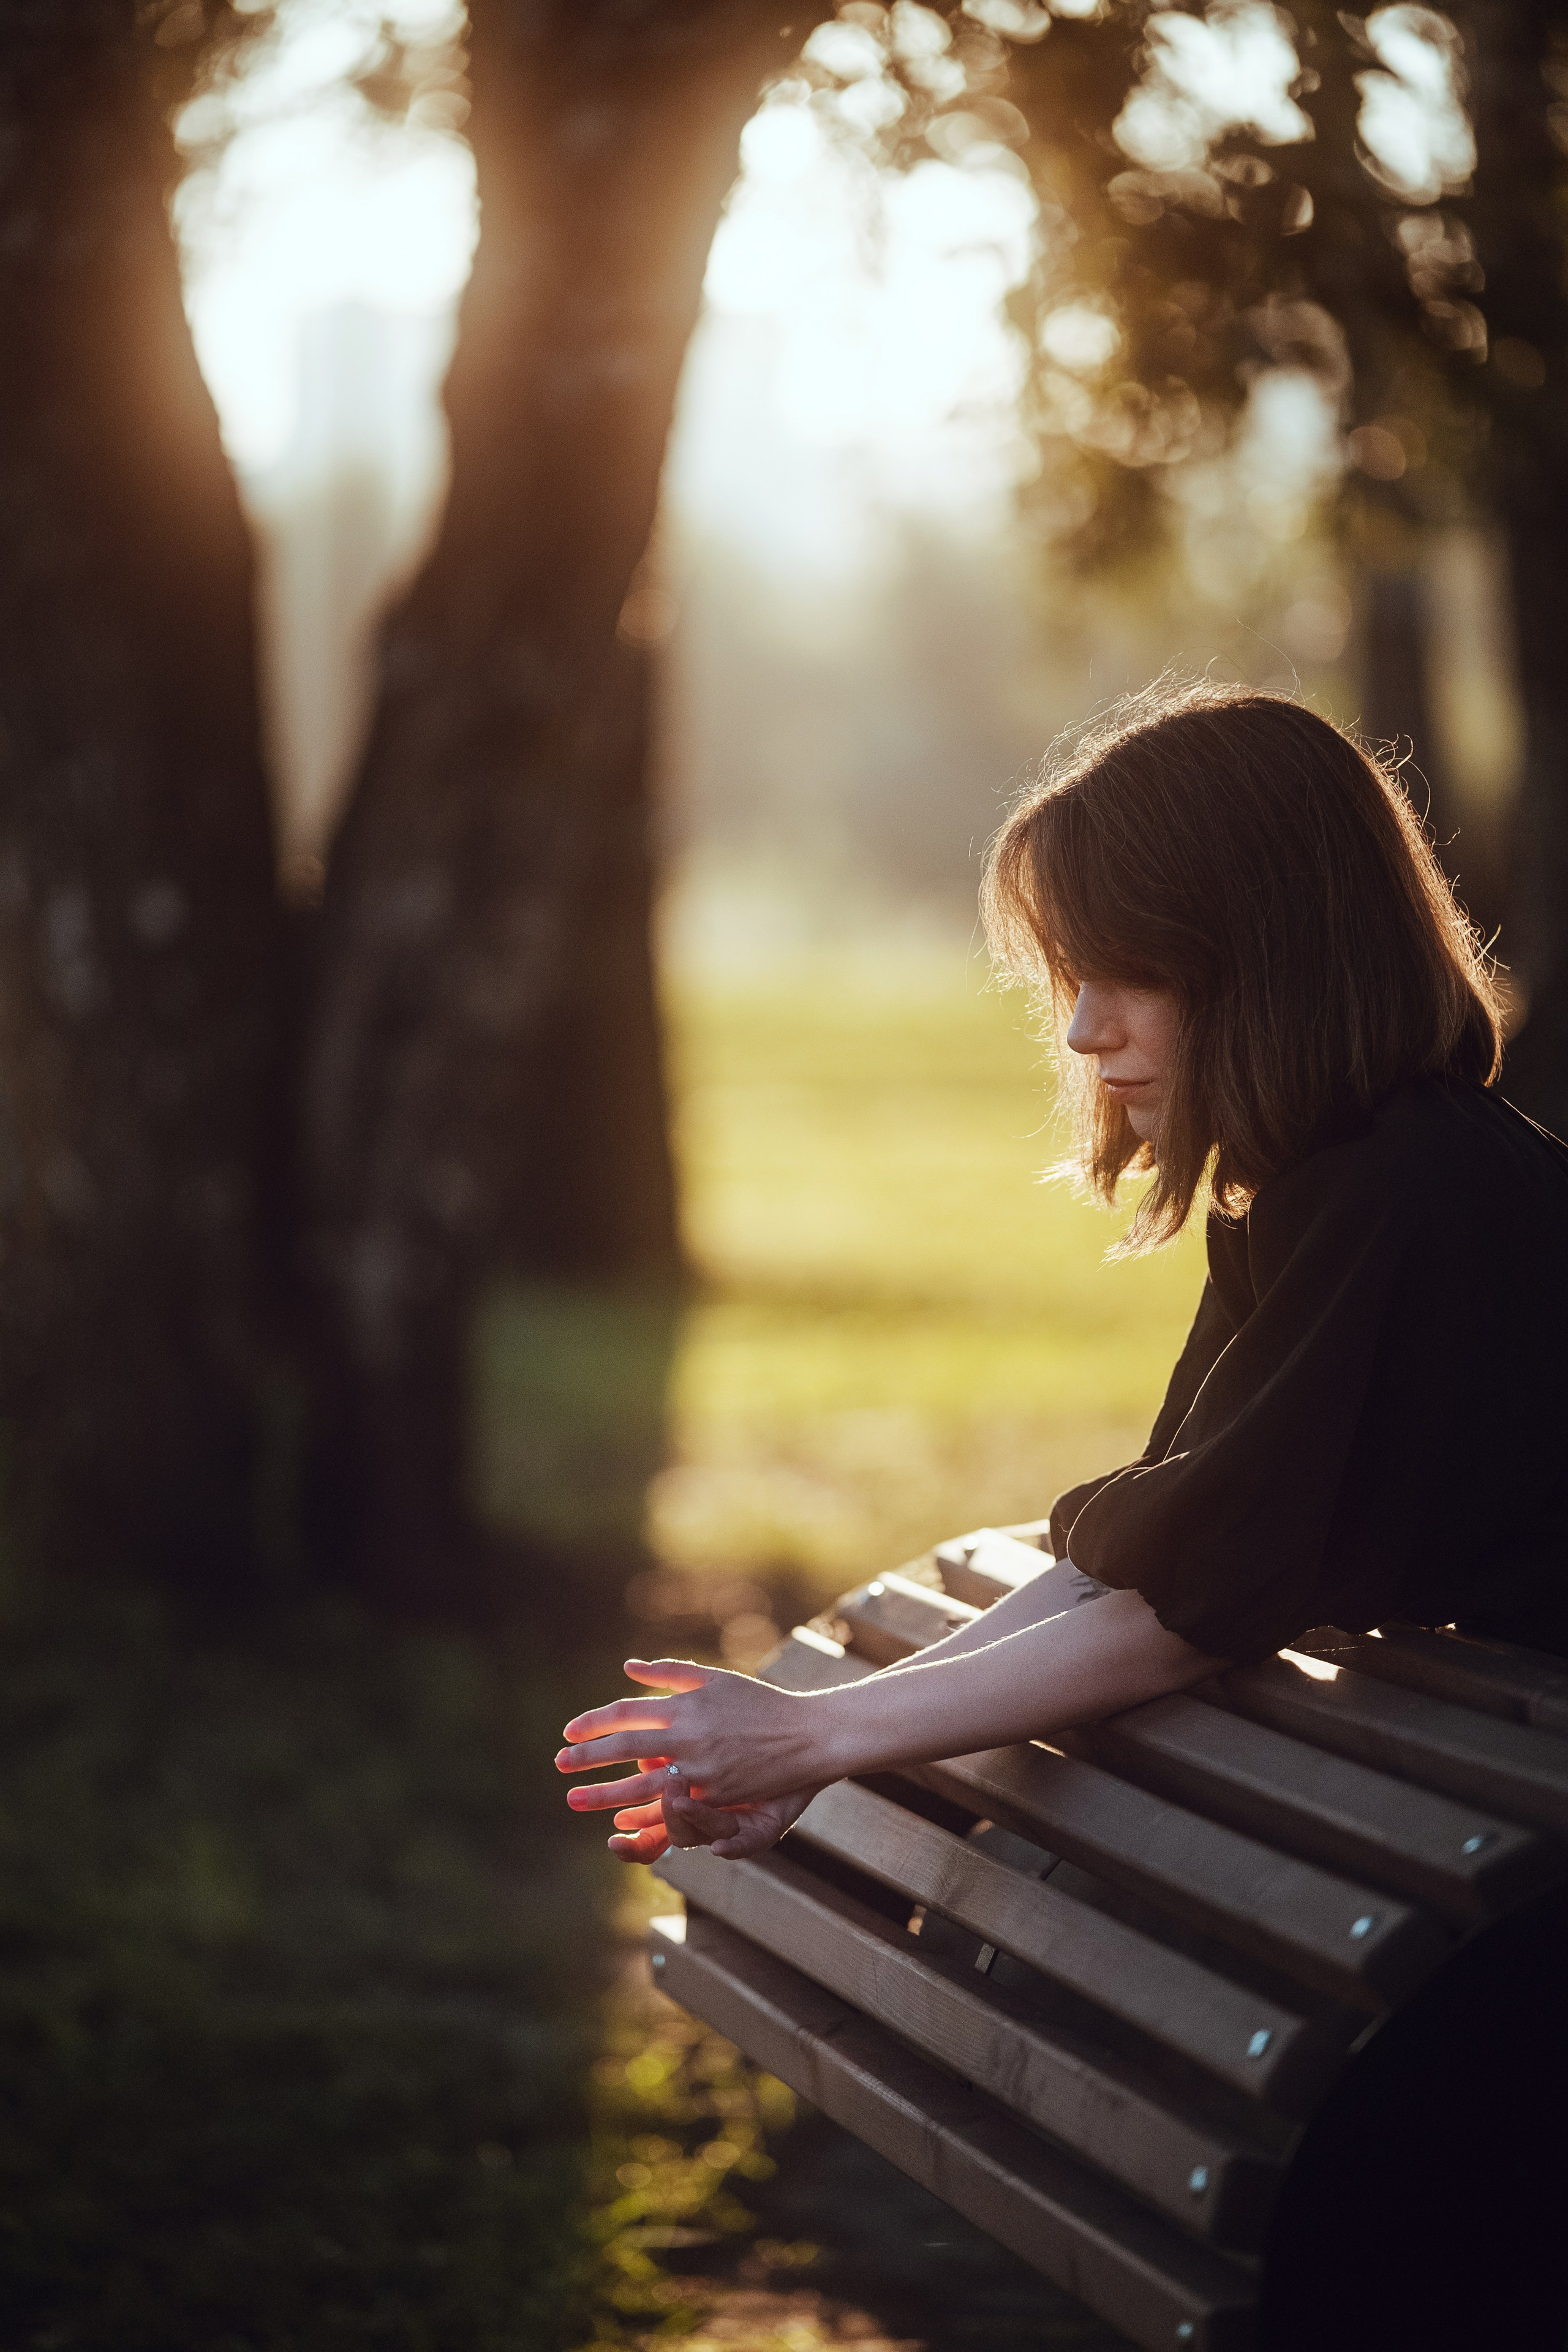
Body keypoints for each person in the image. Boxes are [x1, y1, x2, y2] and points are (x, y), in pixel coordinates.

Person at [556, 679, 1568, 1865]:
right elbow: (1143, 1562)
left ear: (1275, 959)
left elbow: (1186, 1610)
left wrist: (817, 1736)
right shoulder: (1326, 1180)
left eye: (1133, 971)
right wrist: (817, 1744)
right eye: (1073, 976)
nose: (1085, 1029)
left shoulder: (1401, 1192)